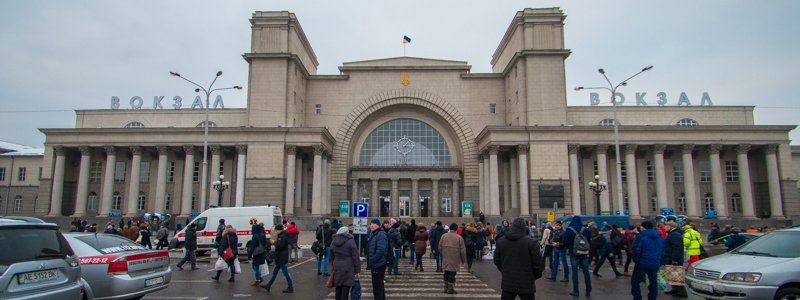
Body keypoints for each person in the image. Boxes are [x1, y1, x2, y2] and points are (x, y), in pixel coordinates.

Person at [494, 218, 544, 300]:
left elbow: (496, 260)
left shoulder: (501, 241)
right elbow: (538, 263)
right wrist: (533, 276)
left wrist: (504, 270)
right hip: (526, 282)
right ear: (524, 228)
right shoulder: (531, 242)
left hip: (508, 281)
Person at [631, 221, 664, 300]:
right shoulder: (659, 237)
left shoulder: (641, 236)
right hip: (655, 262)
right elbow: (663, 251)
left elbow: (637, 250)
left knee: (635, 281)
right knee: (653, 282)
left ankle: (637, 298)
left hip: (643, 262)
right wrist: (660, 261)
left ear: (643, 227)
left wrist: (636, 261)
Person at [562, 215, 592, 297]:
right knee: (586, 272)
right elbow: (589, 241)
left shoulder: (569, 230)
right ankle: (588, 290)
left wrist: (570, 247)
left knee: (574, 272)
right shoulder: (585, 230)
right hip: (584, 253)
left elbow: (565, 242)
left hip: (573, 253)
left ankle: (576, 291)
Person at [331, 226, 360, 300]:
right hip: (348, 267)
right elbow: (355, 257)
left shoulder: (334, 241)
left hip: (337, 265)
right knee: (345, 288)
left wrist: (333, 265)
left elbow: (332, 255)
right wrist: (357, 270)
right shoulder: (350, 241)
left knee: (338, 288)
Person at [262, 224, 294, 293]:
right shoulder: (282, 235)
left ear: (279, 230)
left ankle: (290, 287)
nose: (276, 231)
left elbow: (280, 246)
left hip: (281, 258)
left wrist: (274, 242)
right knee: (275, 273)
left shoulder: (282, 236)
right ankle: (268, 285)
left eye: (276, 230)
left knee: (286, 273)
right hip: (280, 257)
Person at [439, 223, 466, 294]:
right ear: (456, 229)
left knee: (446, 272)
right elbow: (463, 251)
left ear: (450, 228)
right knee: (452, 273)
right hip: (455, 258)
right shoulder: (459, 238)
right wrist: (463, 260)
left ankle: (446, 287)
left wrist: (443, 253)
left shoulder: (444, 236)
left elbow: (439, 247)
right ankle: (450, 289)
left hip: (446, 257)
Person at [662, 221, 686, 297]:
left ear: (671, 227)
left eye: (666, 226)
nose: (664, 227)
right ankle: (675, 289)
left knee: (676, 275)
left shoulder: (675, 235)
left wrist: (675, 259)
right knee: (672, 275)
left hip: (674, 259)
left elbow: (677, 248)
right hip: (670, 257)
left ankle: (681, 292)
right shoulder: (672, 234)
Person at [367, 219, 388, 300]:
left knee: (377, 287)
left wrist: (372, 259)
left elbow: (381, 250)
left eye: (373, 224)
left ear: (378, 225)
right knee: (378, 286)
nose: (371, 225)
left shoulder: (380, 234)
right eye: (371, 224)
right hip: (376, 264)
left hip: (378, 264)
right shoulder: (374, 234)